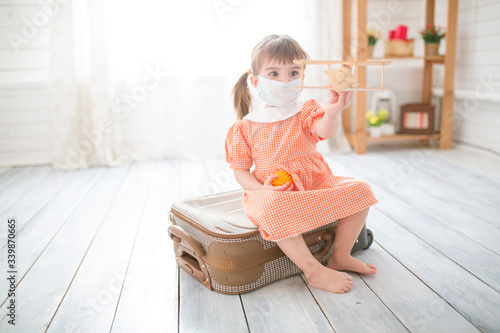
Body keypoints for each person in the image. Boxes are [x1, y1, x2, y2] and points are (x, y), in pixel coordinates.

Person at [225, 35, 378, 293]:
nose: (284, 81)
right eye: (273, 73)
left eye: (293, 72)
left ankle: (340, 256)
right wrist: (262, 190)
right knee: (273, 209)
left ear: (302, 77)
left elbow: (325, 131)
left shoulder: (305, 110)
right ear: (255, 80)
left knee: (361, 189)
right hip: (275, 192)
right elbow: (240, 172)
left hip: (315, 182)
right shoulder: (245, 127)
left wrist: (332, 111)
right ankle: (313, 270)